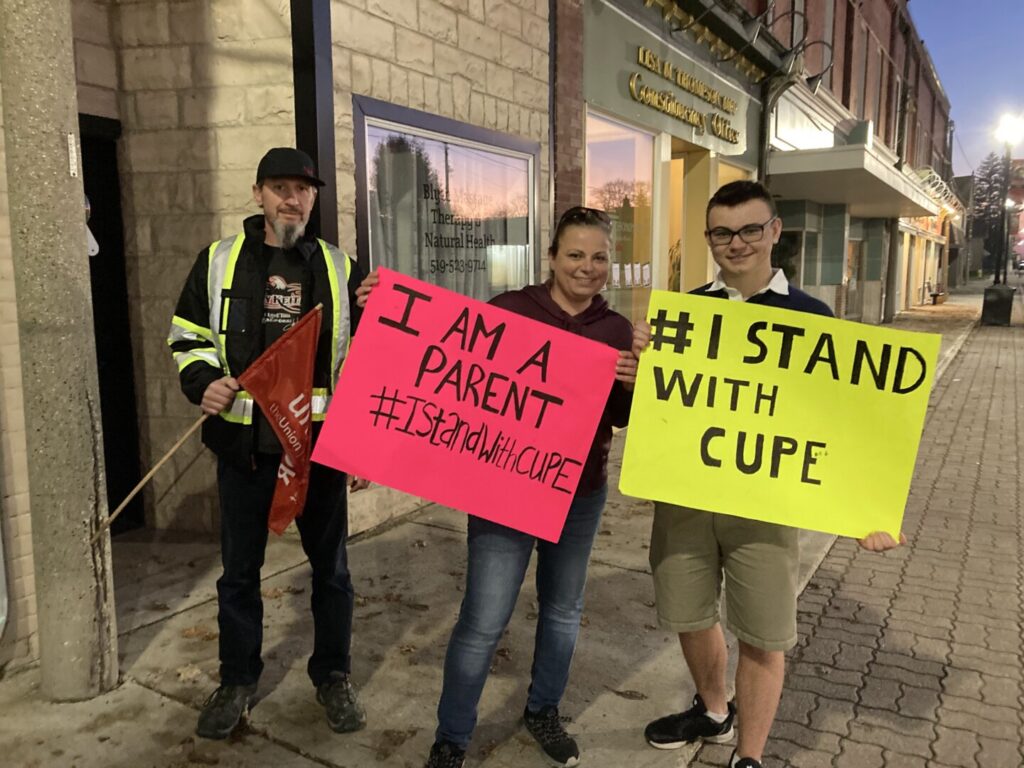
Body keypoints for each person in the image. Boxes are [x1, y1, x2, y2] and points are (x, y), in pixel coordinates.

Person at [634, 180, 906, 768]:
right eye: (723, 233)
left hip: (765, 504)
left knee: (762, 632)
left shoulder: (813, 318)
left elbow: (839, 427)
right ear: (710, 239)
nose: (737, 244)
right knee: (688, 612)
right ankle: (713, 710)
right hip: (685, 498)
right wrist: (643, 372)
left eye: (750, 230)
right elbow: (659, 409)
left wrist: (865, 514)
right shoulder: (687, 313)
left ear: (774, 232)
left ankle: (749, 758)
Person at [356, 206, 638, 768]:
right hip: (506, 496)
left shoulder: (618, 329)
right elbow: (445, 366)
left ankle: (543, 711)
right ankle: (452, 738)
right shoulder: (507, 311)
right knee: (483, 620)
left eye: (599, 257)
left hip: (580, 495)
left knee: (562, 610)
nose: (588, 267)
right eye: (576, 255)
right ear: (552, 258)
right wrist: (380, 311)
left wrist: (632, 382)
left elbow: (619, 417)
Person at [167, 147, 368, 740]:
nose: (292, 198)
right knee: (239, 574)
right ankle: (236, 679)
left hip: (319, 452)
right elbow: (188, 334)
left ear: (313, 199)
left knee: (332, 573)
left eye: (303, 190)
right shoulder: (219, 261)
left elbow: (366, 360)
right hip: (244, 451)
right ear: (258, 194)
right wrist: (203, 382)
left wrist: (358, 444)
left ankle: (332, 675)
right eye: (280, 187)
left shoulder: (342, 269)